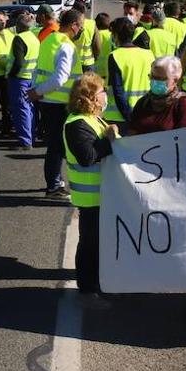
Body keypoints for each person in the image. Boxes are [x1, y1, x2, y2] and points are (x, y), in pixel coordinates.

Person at [64, 74, 118, 299]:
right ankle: (87, 287)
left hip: (101, 195)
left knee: (97, 243)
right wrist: (109, 141)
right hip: (90, 197)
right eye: (101, 92)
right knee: (90, 243)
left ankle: (96, 282)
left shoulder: (92, 118)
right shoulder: (77, 124)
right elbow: (87, 156)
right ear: (91, 98)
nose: (105, 96)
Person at [30, 9, 82, 199]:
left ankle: (55, 181)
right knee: (58, 147)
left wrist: (37, 90)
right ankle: (53, 186)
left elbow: (38, 70)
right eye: (80, 26)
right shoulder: (66, 46)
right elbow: (60, 78)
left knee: (54, 146)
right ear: (74, 25)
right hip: (60, 103)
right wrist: (37, 91)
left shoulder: (48, 40)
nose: (81, 29)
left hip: (48, 101)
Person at [105, 17, 155, 127]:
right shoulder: (149, 55)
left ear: (116, 35)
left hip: (119, 117)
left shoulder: (115, 56)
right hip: (144, 113)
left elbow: (118, 91)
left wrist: (129, 117)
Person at [128, 55, 186, 135]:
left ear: (175, 80)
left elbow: (185, 136)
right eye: (152, 77)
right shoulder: (144, 102)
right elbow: (132, 131)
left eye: (161, 79)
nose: (155, 81)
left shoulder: (182, 103)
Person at [6, 12, 40, 149]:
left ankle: (25, 142)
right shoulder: (34, 38)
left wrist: (11, 74)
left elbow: (18, 62)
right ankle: (30, 137)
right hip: (32, 77)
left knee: (22, 109)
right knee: (30, 109)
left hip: (20, 78)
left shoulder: (19, 39)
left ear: (18, 26)